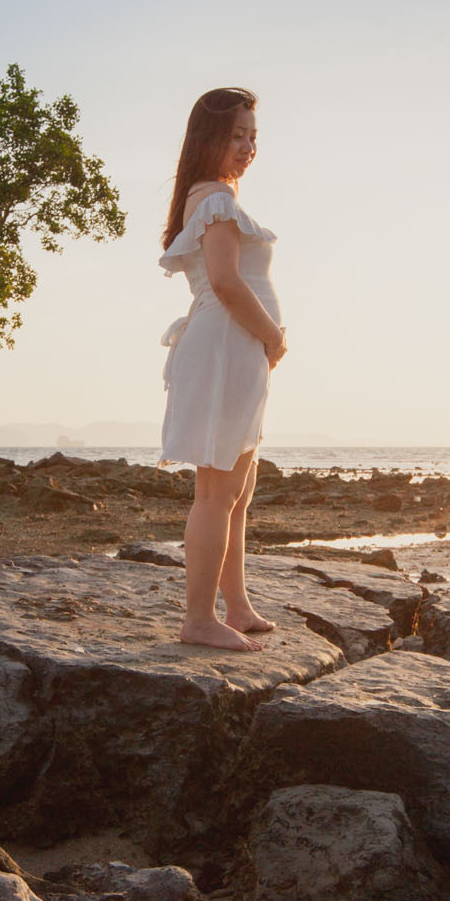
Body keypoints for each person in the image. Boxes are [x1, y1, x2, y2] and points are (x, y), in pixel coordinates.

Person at [157, 86, 289, 651]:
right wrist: (273, 336)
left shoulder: (218, 197)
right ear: (208, 138)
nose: (247, 146)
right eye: (237, 135)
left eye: (253, 136)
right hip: (226, 348)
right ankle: (198, 618)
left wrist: (263, 345)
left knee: (241, 486)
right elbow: (227, 283)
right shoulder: (212, 200)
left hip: (238, 351)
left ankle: (234, 604)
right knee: (216, 491)